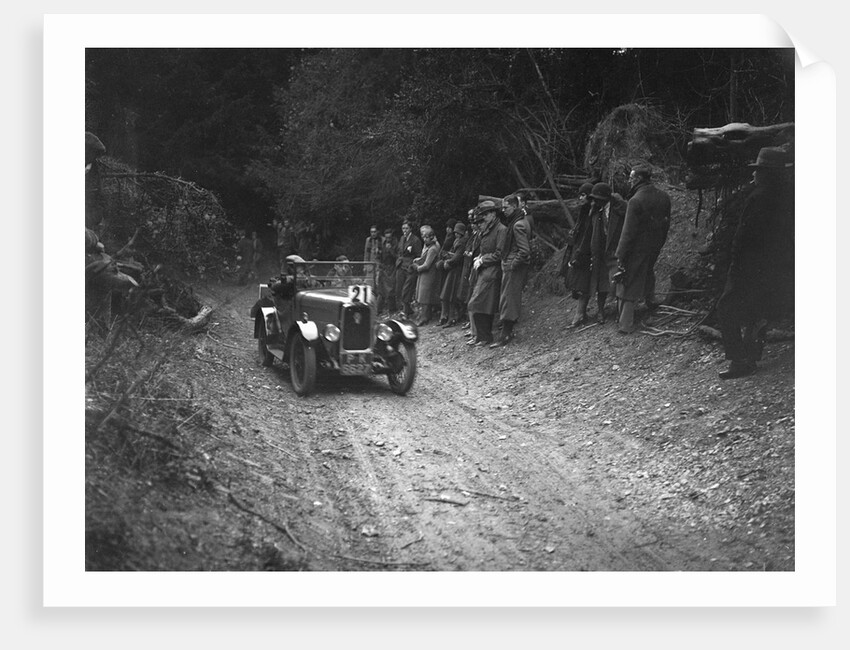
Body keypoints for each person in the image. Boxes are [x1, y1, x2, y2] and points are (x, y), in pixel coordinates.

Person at [716, 147, 794, 379]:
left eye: (758, 170)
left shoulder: (758, 198)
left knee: (725, 309)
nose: (754, 174)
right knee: (757, 309)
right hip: (773, 266)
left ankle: (739, 361)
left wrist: (735, 263)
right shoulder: (787, 195)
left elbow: (744, 237)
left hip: (748, 266)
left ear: (767, 173)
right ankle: (751, 355)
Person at [614, 164, 671, 334]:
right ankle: (651, 304)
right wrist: (659, 243)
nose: (629, 181)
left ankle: (625, 324)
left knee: (630, 280)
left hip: (637, 248)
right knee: (648, 272)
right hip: (654, 245)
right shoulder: (664, 196)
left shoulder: (635, 200)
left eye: (631, 178)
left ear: (639, 179)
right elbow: (666, 224)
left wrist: (620, 254)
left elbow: (628, 232)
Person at [584, 182, 628, 326]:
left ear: (605, 198)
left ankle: (619, 312)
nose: (595, 201)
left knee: (615, 282)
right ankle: (601, 312)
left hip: (615, 252)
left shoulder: (619, 210)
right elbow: (591, 233)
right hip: (600, 253)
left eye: (597, 198)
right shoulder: (596, 212)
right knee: (600, 285)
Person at [491, 193, 533, 348]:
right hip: (510, 265)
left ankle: (505, 335)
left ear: (515, 206)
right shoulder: (518, 221)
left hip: (513, 267)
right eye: (502, 207)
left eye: (506, 207)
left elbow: (524, 251)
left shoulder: (518, 225)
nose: (504, 210)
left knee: (509, 299)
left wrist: (512, 264)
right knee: (508, 298)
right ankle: (506, 331)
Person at [466, 200, 507, 346]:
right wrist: (480, 257)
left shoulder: (501, 229)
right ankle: (482, 336)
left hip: (492, 271)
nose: (484, 217)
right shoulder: (488, 229)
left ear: (494, 214)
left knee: (480, 303)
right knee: (480, 304)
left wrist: (483, 259)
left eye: (486, 214)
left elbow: (499, 253)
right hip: (484, 271)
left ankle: (484, 336)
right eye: (482, 214)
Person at [439, 221, 469, 327]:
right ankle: (450, 317)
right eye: (455, 232)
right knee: (448, 294)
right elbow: (450, 253)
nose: (456, 234)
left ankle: (453, 318)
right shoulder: (457, 240)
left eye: (458, 232)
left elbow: (457, 258)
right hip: (453, 270)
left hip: (457, 271)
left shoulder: (462, 242)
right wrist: (448, 256)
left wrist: (448, 260)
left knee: (452, 295)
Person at [412, 226, 441, 326]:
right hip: (425, 275)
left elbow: (427, 265)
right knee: (423, 296)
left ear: (431, 237)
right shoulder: (429, 246)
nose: (424, 239)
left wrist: (417, 267)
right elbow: (424, 257)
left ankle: (424, 318)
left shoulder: (433, 248)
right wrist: (419, 259)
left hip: (429, 275)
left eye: (426, 237)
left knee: (424, 297)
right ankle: (426, 316)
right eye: (423, 237)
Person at [395, 220, 422, 319]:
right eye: (403, 228)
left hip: (410, 268)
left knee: (407, 289)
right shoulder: (402, 238)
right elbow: (399, 251)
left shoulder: (415, 240)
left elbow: (419, 256)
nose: (404, 230)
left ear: (410, 229)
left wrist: (412, 265)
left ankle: (406, 311)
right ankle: (406, 309)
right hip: (401, 266)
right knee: (399, 288)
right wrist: (398, 260)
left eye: (406, 228)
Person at [378, 227, 398, 314]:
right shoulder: (383, 243)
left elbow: (397, 257)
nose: (388, 239)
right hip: (384, 268)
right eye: (386, 237)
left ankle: (392, 310)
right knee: (381, 290)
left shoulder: (396, 243)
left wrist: (391, 250)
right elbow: (381, 256)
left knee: (391, 290)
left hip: (392, 268)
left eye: (389, 237)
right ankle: (379, 310)